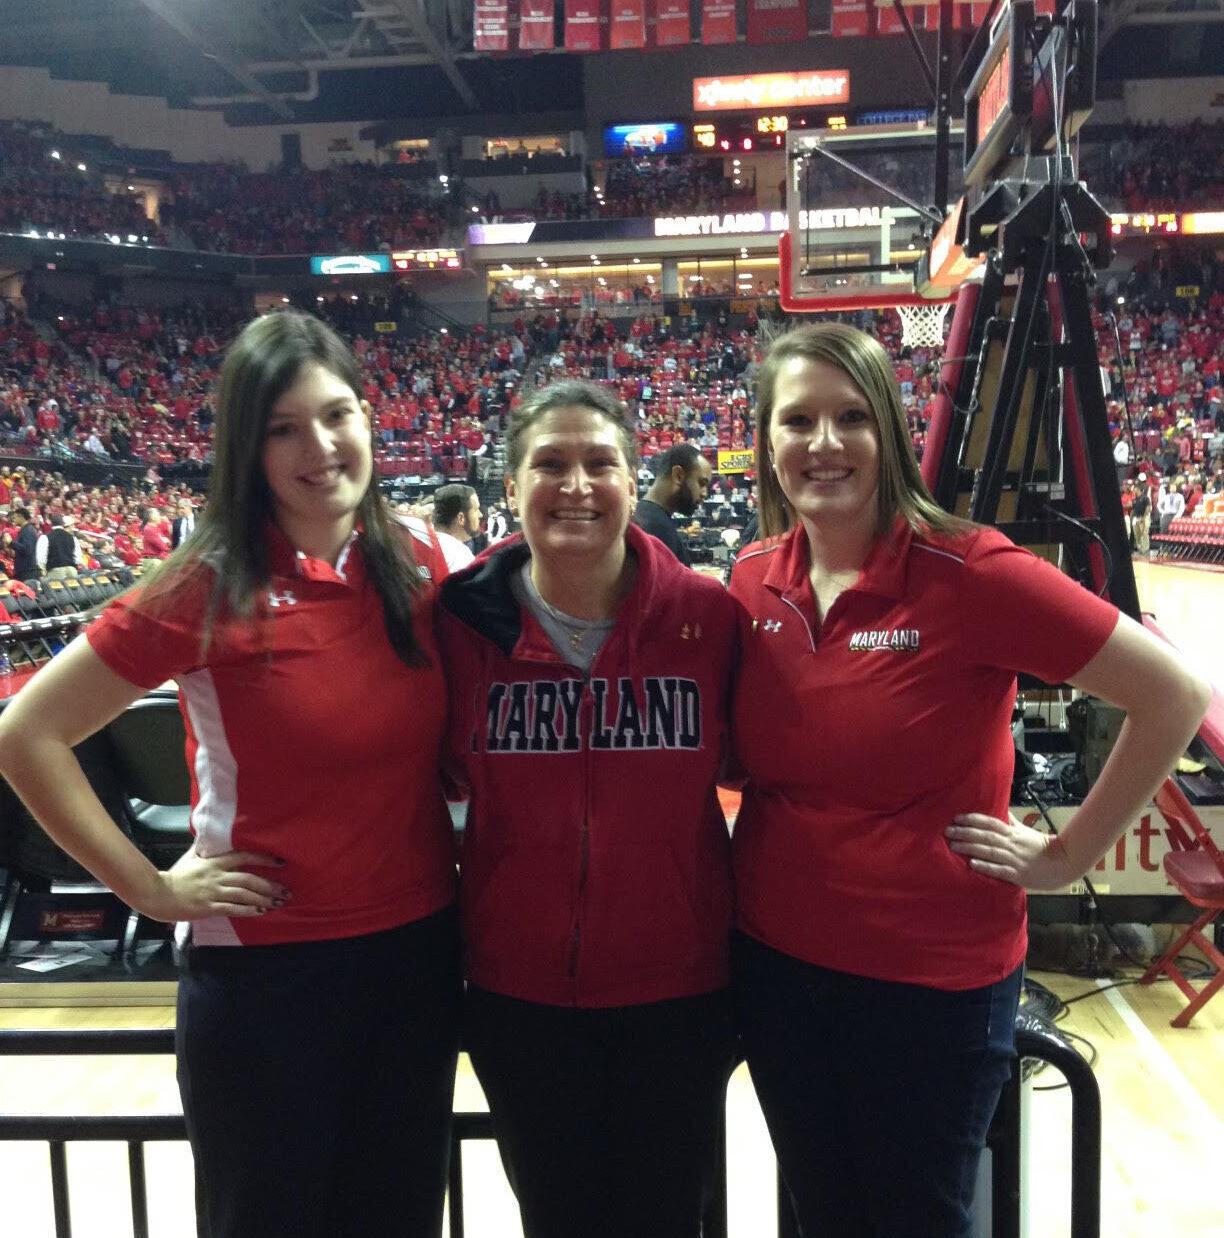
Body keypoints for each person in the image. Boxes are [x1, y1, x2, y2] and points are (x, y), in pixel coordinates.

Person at [728, 324, 1210, 1238]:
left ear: (892, 437)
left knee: (917, 1219)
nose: (823, 444)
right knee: (822, 1213)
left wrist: (1069, 855)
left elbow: (1174, 696)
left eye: (850, 419)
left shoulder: (971, 571)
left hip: (927, 984)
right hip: (780, 972)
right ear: (766, 441)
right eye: (798, 421)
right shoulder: (753, 579)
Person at [0, 311, 462, 1238]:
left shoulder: (426, 561)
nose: (320, 448)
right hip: (265, 979)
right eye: (283, 428)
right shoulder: (200, 585)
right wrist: (149, 889)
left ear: (371, 419)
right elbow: (26, 734)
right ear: (245, 448)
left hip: (415, 958)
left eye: (337, 415)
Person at [436, 379, 739, 1238]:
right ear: (510, 489)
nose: (576, 485)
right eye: (550, 464)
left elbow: (784, 764)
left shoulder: (709, 619)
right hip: (516, 996)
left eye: (600, 463)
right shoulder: (456, 628)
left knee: (669, 1218)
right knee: (556, 1218)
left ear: (634, 482)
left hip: (678, 995)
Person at [632, 442, 713, 566]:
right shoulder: (656, 529)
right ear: (678, 475)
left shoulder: (646, 517)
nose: (704, 494)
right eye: (701, 483)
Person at [430, 482, 482, 572]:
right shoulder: (460, 556)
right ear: (461, 518)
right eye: (476, 510)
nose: (480, 515)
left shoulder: (422, 544)